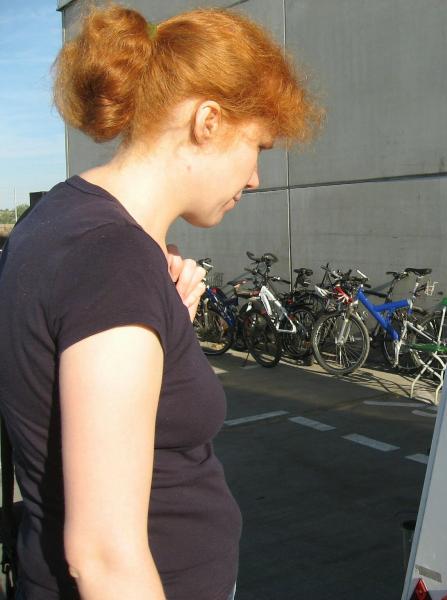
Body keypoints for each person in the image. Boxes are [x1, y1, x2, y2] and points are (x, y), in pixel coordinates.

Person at [0, 5, 320, 599]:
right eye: (258, 145)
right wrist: (136, 293)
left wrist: (166, 326)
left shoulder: (60, 218)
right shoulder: (112, 262)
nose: (255, 178)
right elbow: (105, 557)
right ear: (208, 121)